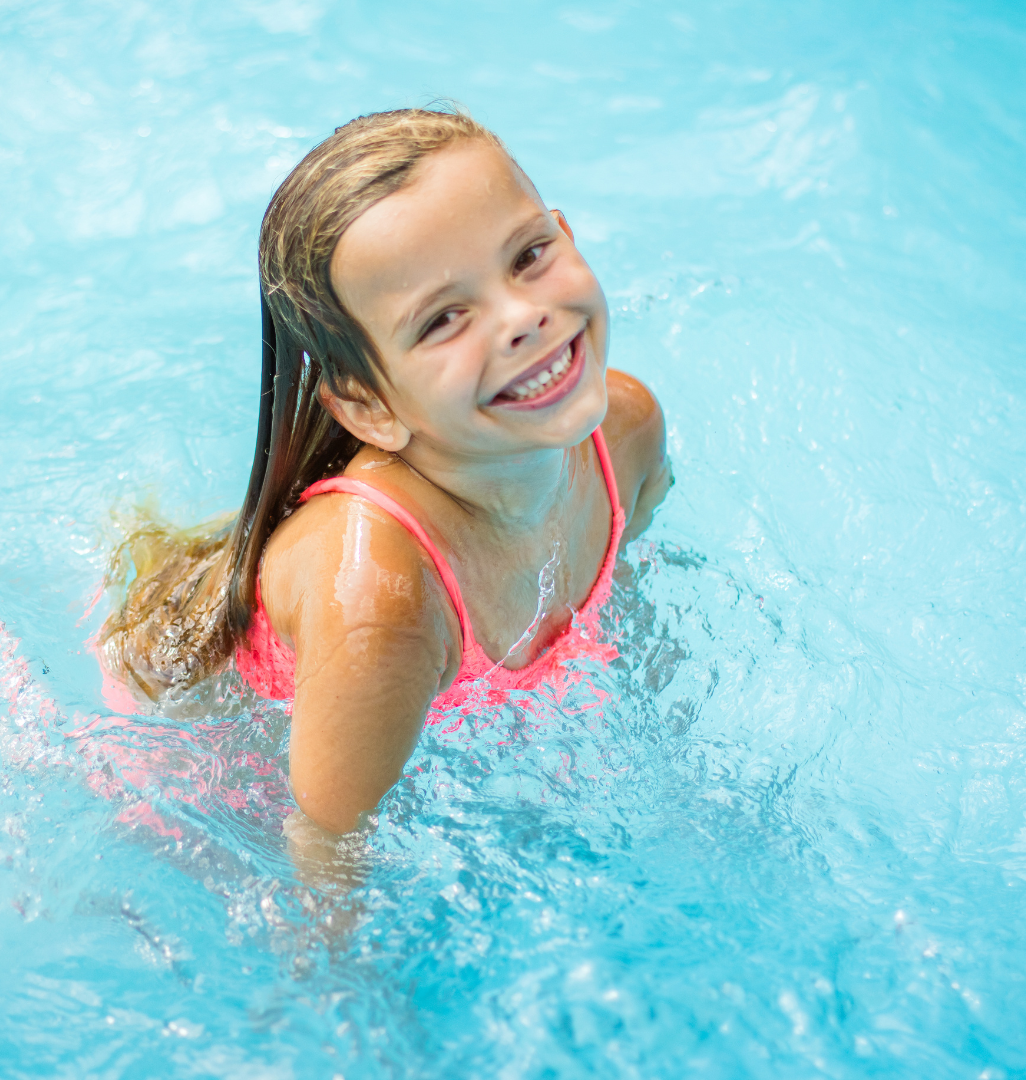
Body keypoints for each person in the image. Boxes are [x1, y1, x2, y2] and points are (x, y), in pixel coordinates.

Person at [100, 108, 671, 837]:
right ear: (368, 409)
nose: (521, 316)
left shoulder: (629, 432)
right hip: (193, 759)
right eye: (442, 319)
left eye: (528, 254)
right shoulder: (384, 603)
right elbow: (322, 845)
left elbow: (631, 597)